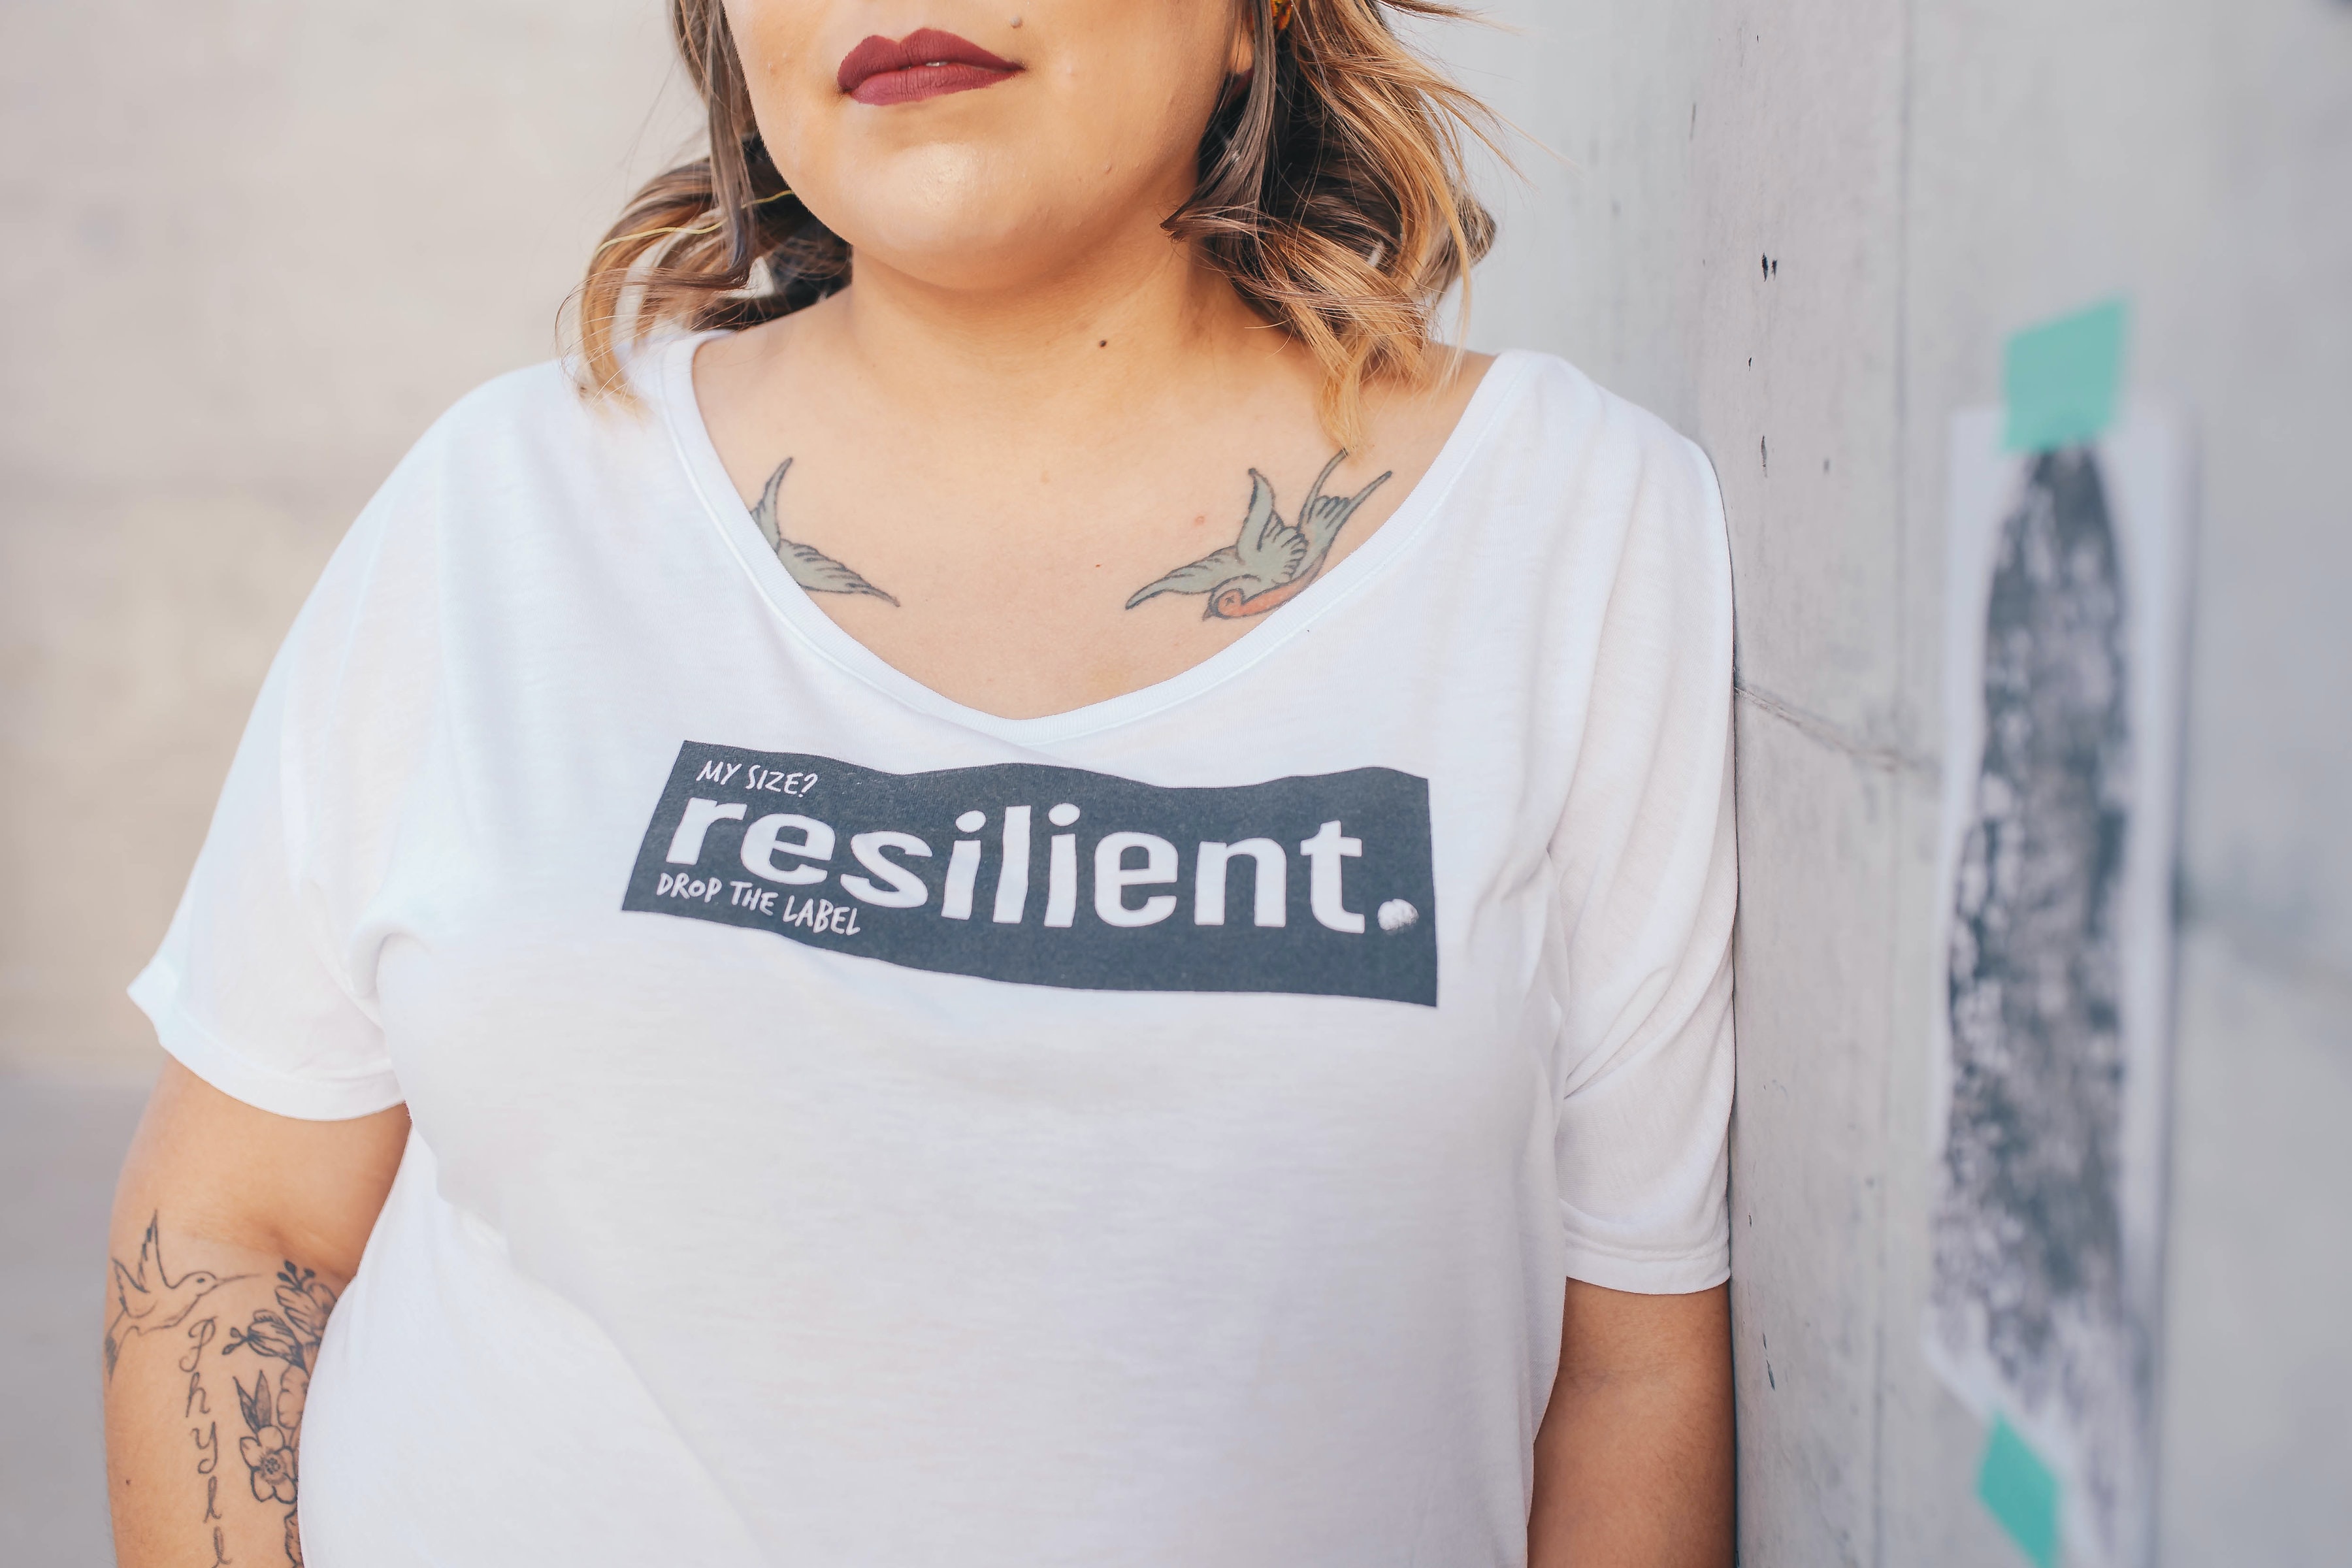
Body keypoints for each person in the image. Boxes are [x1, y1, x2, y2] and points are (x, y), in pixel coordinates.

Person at [103, 1, 1737, 1563]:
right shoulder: (502, 509)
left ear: (1257, 15)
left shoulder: (1575, 530)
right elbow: (237, 1229)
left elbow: (1634, 1366)